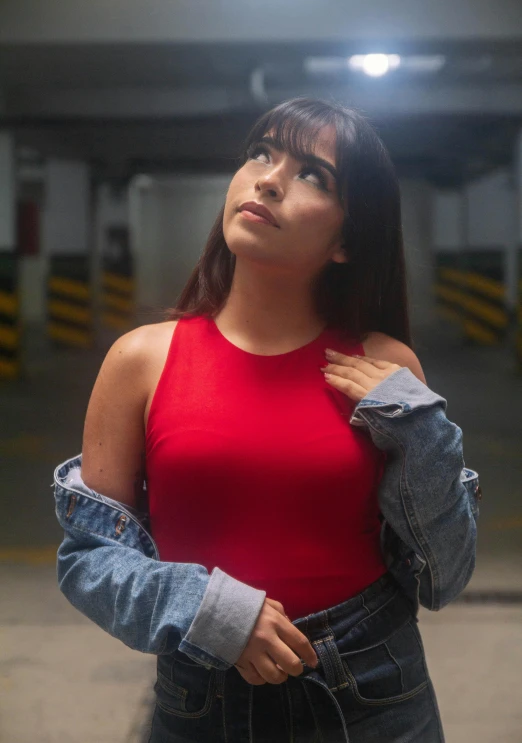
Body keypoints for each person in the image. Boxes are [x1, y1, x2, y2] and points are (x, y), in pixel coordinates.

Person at [52, 98, 481, 742]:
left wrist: (425, 434)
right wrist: (205, 609)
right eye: (262, 152)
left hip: (373, 694)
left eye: (314, 174)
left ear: (345, 241)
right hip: (201, 695)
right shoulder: (141, 360)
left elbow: (444, 576)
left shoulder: (387, 369)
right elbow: (88, 559)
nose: (269, 178)